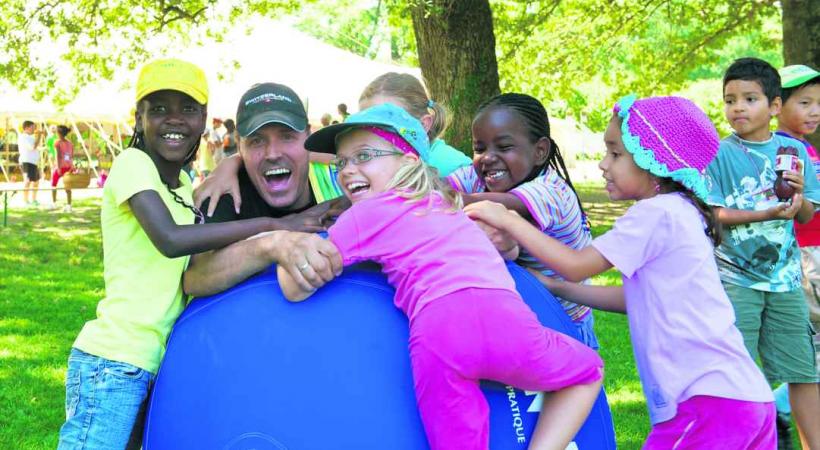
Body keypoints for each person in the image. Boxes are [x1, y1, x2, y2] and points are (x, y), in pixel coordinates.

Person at [277, 102, 603, 450]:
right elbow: (503, 252)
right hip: (507, 321)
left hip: (440, 334)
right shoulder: (449, 204)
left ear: (409, 162)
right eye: (341, 162)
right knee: (588, 371)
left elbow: (295, 287)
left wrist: (281, 248)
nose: (347, 170)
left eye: (364, 156)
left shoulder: (365, 214)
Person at [467, 95, 777, 448]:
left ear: (652, 163)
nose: (603, 164)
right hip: (745, 397)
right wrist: (554, 287)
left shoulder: (655, 213)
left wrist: (507, 219)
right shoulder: (683, 211)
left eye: (615, 154)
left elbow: (577, 264)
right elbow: (634, 297)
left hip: (704, 403)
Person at [57, 59, 292, 449]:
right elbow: (171, 240)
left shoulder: (182, 185)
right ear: (139, 118)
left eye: (187, 109)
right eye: (160, 109)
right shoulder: (132, 163)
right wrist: (270, 225)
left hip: (154, 361)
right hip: (114, 360)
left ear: (203, 120)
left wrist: (233, 162)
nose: (174, 119)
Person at [707, 57, 820, 449]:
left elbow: (806, 214)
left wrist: (799, 197)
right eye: (730, 100)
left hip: (785, 281)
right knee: (734, 368)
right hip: (736, 279)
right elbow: (714, 215)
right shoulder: (718, 154)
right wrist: (765, 212)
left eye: (749, 99)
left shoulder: (794, 150)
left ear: (773, 106)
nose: (738, 108)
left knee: (802, 371)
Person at [448, 93, 598, 349]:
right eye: (480, 148)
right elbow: (441, 185)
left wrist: (425, 194)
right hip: (525, 310)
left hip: (563, 321)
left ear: (539, 151)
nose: (488, 157)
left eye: (504, 147)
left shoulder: (552, 191)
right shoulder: (479, 175)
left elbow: (493, 204)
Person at [182, 82, 350, 297]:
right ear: (239, 145)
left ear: (308, 136)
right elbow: (194, 277)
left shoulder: (342, 179)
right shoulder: (224, 192)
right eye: (256, 141)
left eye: (287, 136)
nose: (272, 153)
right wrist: (271, 245)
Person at [773, 63, 820, 448]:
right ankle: (777, 406)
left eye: (818, 103)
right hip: (805, 257)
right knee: (812, 348)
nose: (814, 111)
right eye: (804, 103)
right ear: (777, 105)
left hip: (813, 254)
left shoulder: (805, 148)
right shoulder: (785, 149)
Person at [357, 72, 472, 176]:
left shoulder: (456, 170)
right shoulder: (362, 163)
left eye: (386, 125)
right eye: (364, 126)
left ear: (423, 125)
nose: (372, 133)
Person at [17, 120, 42, 207]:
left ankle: (34, 200)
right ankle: (25, 201)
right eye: (33, 127)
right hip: (26, 161)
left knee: (36, 181)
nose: (34, 129)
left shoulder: (31, 137)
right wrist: (39, 136)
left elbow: (36, 147)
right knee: (27, 181)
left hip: (33, 162)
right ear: (26, 128)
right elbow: (32, 147)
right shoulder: (23, 137)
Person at [50, 125, 74, 212]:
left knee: (53, 184)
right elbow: (71, 156)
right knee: (68, 186)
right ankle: (69, 205)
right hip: (69, 167)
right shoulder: (70, 143)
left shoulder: (57, 143)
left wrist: (58, 167)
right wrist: (72, 166)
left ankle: (54, 203)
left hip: (60, 167)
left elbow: (58, 156)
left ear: (59, 133)